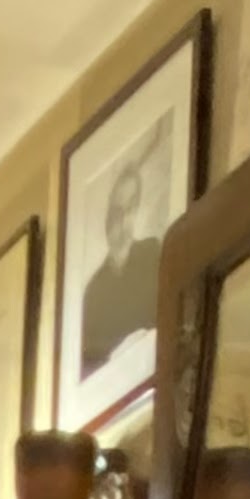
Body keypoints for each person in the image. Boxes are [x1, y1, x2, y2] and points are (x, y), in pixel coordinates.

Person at [78, 157, 160, 380]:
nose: (122, 220)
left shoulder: (153, 254)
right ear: (107, 216)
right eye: (116, 210)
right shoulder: (93, 292)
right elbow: (88, 371)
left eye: (130, 208)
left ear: (137, 211)